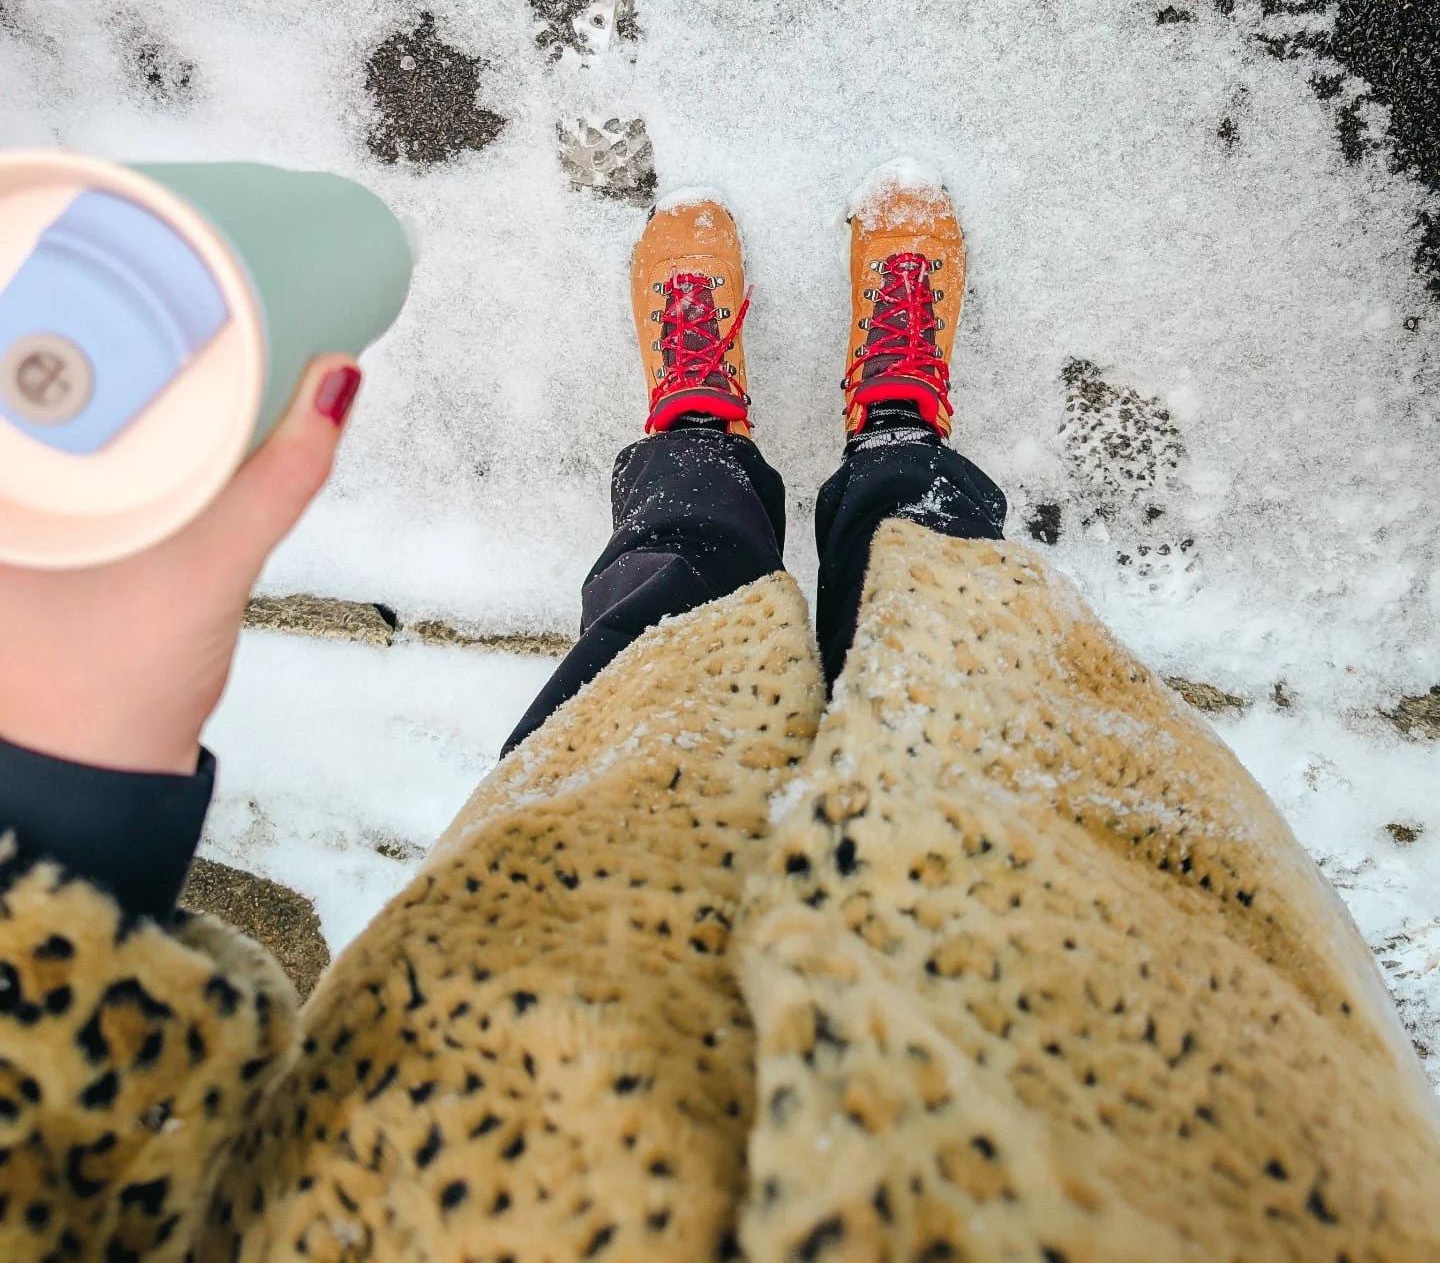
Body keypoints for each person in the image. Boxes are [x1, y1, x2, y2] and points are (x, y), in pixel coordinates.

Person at [0, 166, 1435, 1262]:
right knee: (959, 625)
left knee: (660, 635)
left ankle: (709, 437)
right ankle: (890, 436)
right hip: (1174, 1085)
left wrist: (56, 811)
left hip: (500, 1043)